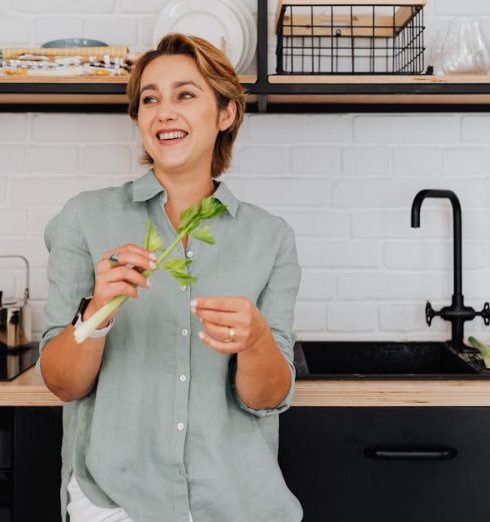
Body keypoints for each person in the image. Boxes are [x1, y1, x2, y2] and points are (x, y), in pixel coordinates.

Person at [37, 33, 303, 522]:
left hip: (238, 502)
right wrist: (98, 311)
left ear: (226, 114)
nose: (164, 112)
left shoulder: (270, 238)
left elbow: (267, 397)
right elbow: (62, 384)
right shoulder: (84, 219)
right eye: (150, 99)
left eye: (185, 94)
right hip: (116, 503)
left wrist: (257, 339)